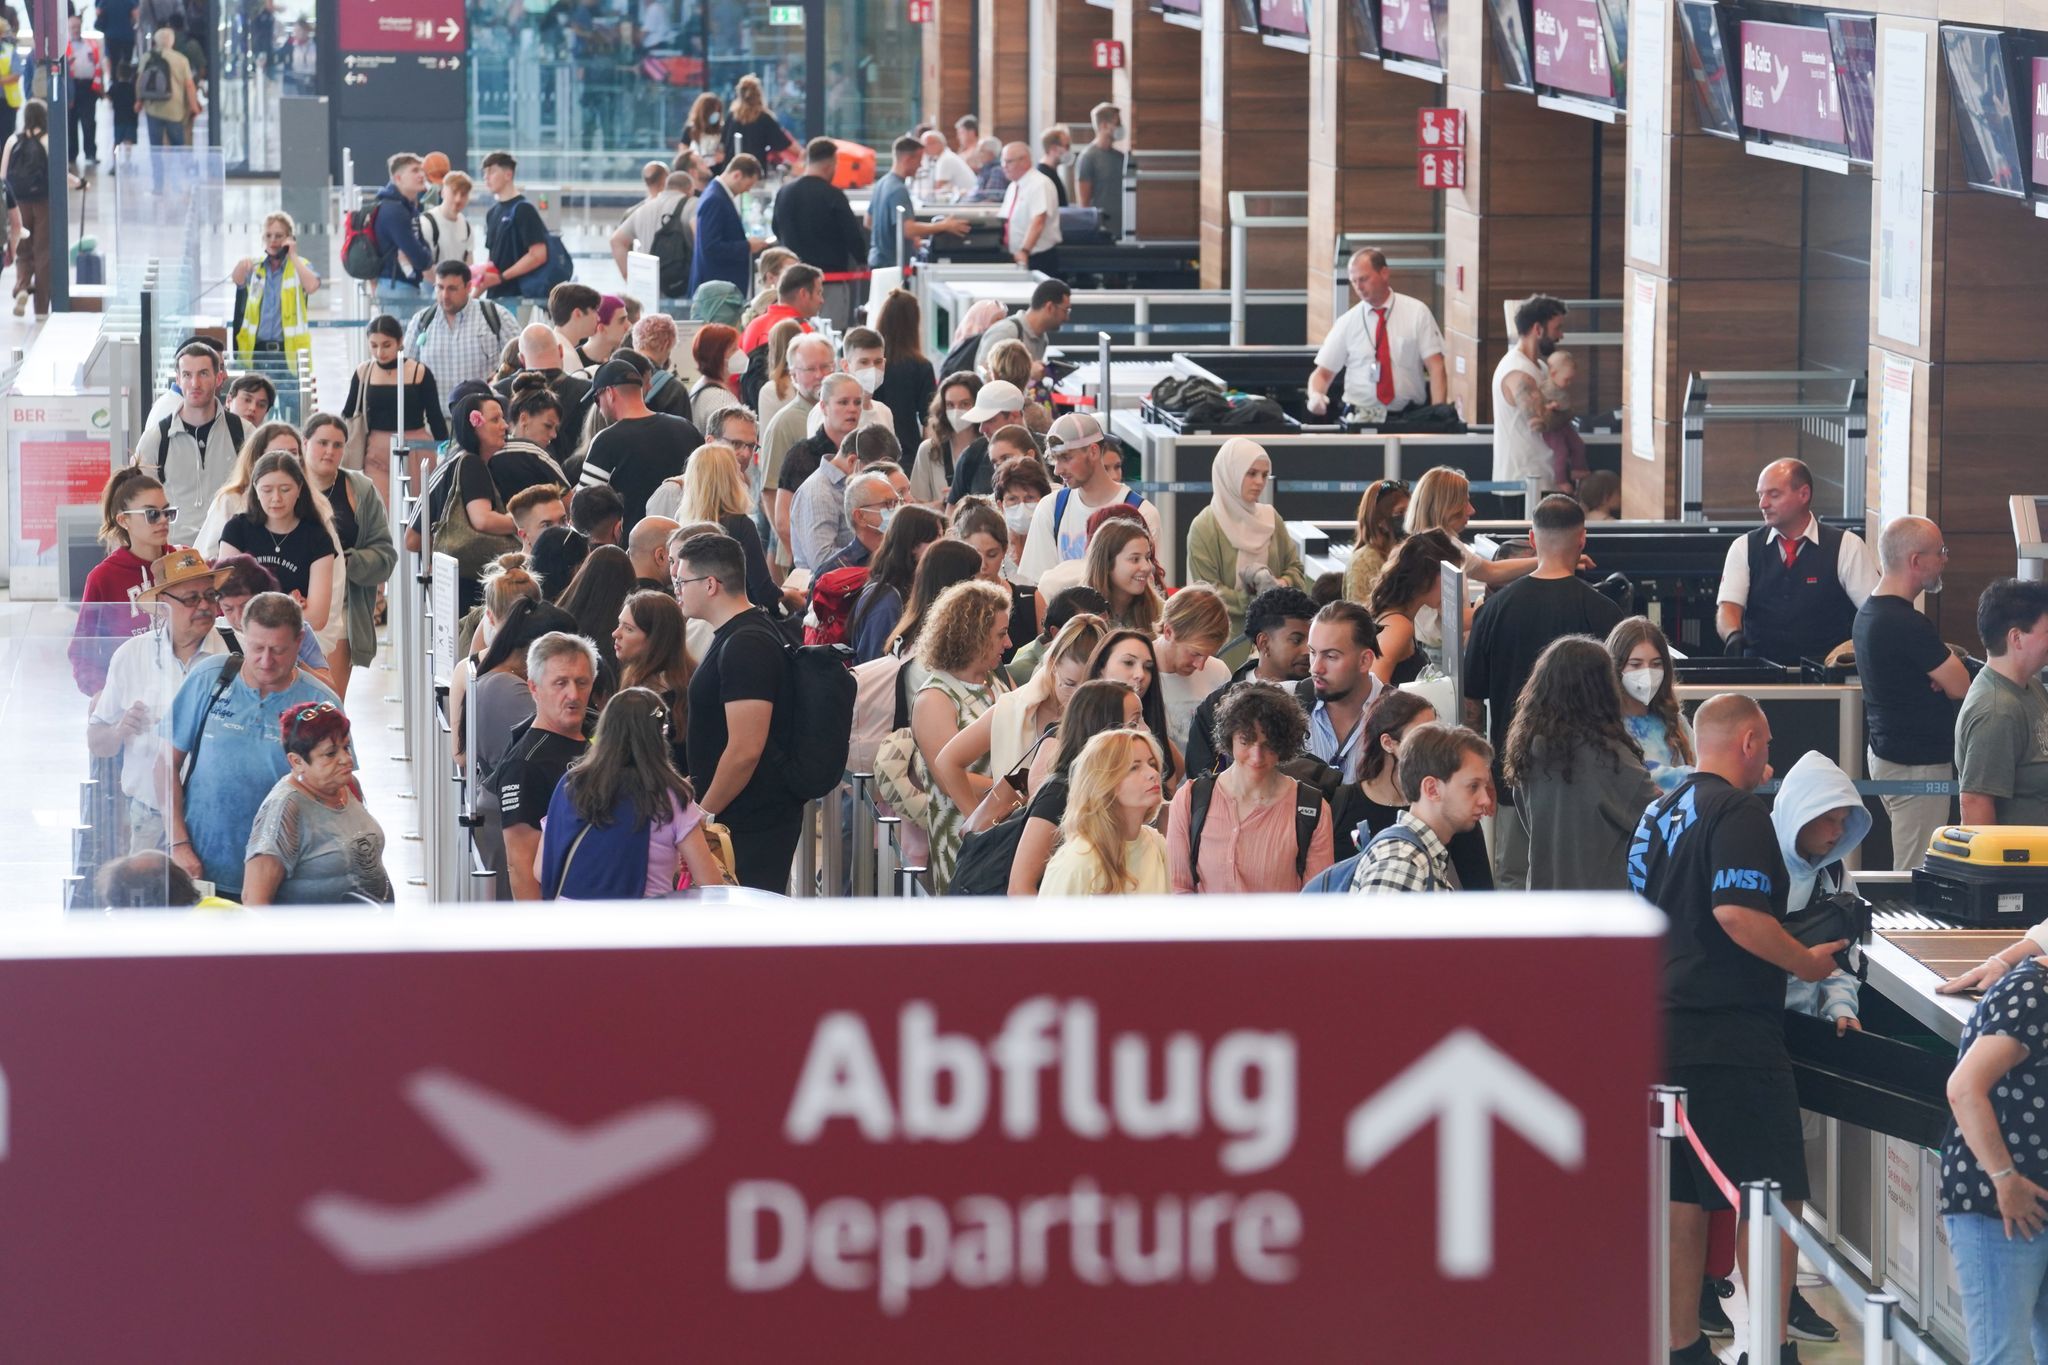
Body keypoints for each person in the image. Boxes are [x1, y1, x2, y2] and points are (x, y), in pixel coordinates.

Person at [1634, 694, 1844, 1365]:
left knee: (1681, 1194)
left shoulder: (1658, 812)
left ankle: (1682, 1345)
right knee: (1771, 1189)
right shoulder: (1739, 811)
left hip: (1658, 1026)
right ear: (1749, 740)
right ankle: (1770, 1345)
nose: (1770, 760)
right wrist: (1806, 961)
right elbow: (1737, 913)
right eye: (1768, 743)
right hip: (1729, 1033)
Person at [1463, 495, 1623, 888]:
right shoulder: (1603, 613)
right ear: (1582, 540)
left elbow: (1471, 703)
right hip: (1587, 779)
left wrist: (1482, 771)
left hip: (1512, 771)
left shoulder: (1494, 611)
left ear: (1532, 540)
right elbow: (1621, 704)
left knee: (1513, 878)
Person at [163, 592, 339, 897]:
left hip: (286, 882)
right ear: (244, 635)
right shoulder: (209, 678)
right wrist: (179, 843)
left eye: (279, 650)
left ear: (299, 642)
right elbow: (165, 764)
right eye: (257, 648)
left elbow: (339, 794)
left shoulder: (321, 703)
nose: (266, 661)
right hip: (205, 871)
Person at [675, 531, 807, 888]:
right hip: (741, 814)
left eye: (682, 581)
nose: (678, 589)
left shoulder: (746, 644)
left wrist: (702, 813)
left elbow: (745, 748)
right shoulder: (738, 634)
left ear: (711, 584)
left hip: (751, 820)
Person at [87, 548, 231, 852]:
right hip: (148, 819)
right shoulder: (130, 656)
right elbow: (97, 741)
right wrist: (119, 730)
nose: (205, 606)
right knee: (150, 898)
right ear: (163, 604)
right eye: (192, 598)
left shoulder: (238, 653)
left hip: (220, 817)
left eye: (210, 595)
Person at [537, 686, 726, 898]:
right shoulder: (670, 795)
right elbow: (711, 884)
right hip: (639, 925)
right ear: (659, 735)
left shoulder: (570, 785)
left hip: (571, 925)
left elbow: (541, 870)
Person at [1503, 635, 1659, 891]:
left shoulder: (1530, 749)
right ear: (1604, 688)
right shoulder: (1611, 758)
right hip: (1601, 911)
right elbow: (1655, 821)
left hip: (1545, 903)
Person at [1855, 516, 1967, 869]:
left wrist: (1940, 673)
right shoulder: (1906, 623)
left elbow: (1950, 679)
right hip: (1915, 767)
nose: (1945, 560)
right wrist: (1942, 674)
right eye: (1940, 553)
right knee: (1916, 872)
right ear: (1916, 561)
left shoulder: (1871, 612)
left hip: (1889, 758)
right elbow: (1962, 685)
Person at [1168, 683, 1334, 895]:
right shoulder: (1190, 799)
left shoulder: (1311, 808)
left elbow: (1316, 903)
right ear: (1229, 737)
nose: (1256, 756)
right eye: (1246, 741)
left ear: (1284, 744)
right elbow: (1178, 888)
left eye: (1268, 744)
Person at [1716, 458, 1880, 665]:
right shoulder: (1744, 547)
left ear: (1804, 494)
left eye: (1773, 495)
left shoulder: (1847, 546)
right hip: (1759, 675)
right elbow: (1729, 606)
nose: (1763, 504)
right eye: (1760, 495)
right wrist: (1733, 636)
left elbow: (1874, 613)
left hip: (1827, 677)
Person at [907, 579, 1011, 890]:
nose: (1008, 643)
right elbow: (948, 778)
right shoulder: (934, 699)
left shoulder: (997, 681)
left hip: (1004, 823)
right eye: (1001, 634)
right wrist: (1014, 790)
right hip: (960, 835)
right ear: (973, 636)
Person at [939, 611, 1107, 803]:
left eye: (1090, 687)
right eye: (1070, 683)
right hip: (1021, 829)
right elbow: (947, 762)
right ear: (1052, 666)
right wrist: (975, 828)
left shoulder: (1112, 714)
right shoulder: (1012, 708)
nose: (1079, 697)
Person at [240, 701, 393, 906]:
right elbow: (254, 901)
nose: (346, 759)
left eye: (346, 747)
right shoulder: (285, 809)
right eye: (331, 753)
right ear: (297, 762)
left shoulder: (347, 785)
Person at [489, 632, 597, 900]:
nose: (573, 694)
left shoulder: (605, 730)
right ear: (534, 688)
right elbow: (521, 867)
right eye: (560, 683)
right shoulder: (524, 766)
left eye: (581, 682)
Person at [1350, 692, 1493, 889]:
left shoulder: (1417, 856)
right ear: (1431, 788)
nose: (1485, 800)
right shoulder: (1402, 863)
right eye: (1472, 787)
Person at [302, 413, 396, 701]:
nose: (329, 451)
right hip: (294, 603)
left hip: (342, 606)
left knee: (329, 700)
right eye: (322, 443)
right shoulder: (286, 485)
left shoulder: (360, 490)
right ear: (304, 442)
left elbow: (385, 554)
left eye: (337, 445)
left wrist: (345, 563)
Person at [1183, 585, 1318, 778]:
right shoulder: (1216, 706)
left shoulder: (1323, 699)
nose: (1307, 651)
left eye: (1311, 640)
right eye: (1296, 640)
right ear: (1264, 643)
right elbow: (1201, 778)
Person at [1185, 437, 1309, 645]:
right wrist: (1254, 599)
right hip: (1223, 640)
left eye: (1264, 474)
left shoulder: (1271, 519)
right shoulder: (1205, 527)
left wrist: (1280, 584)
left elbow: (1295, 568)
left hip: (1275, 638)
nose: (1260, 482)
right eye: (1251, 474)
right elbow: (1206, 591)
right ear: (1230, 474)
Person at [1017, 413, 1160, 587]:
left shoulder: (1142, 513)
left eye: (1066, 457)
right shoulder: (1051, 508)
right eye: (1055, 459)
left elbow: (1151, 587)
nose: (1057, 470)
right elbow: (1037, 588)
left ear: (1093, 451)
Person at [72, 468, 179, 697]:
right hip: (127, 699)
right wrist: (103, 694)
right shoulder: (103, 577)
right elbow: (82, 650)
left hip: (180, 692)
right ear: (124, 520)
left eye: (167, 512)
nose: (163, 521)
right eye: (152, 514)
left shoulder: (184, 561)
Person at [410, 390, 521, 609]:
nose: (505, 426)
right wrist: (525, 523)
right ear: (474, 425)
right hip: (466, 581)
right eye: (495, 419)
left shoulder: (457, 460)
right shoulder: (471, 464)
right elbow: (483, 520)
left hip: (451, 578)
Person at [1307, 247, 1447, 417]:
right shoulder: (1347, 322)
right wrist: (1315, 395)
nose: (1358, 287)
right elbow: (1322, 373)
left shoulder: (1417, 313)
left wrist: (1439, 413)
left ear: (1384, 273)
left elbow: (1436, 366)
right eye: (1354, 281)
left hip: (1408, 415)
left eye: (1364, 279)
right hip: (1360, 416)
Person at [130, 342, 245, 547]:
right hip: (174, 558)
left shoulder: (244, 433)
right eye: (187, 375)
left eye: (203, 374)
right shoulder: (155, 439)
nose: (195, 383)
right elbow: (139, 505)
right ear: (178, 379)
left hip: (229, 555)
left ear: (218, 378)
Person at [1957, 578, 2048, 827]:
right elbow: (1975, 803)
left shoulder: (2033, 688)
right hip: (2022, 864)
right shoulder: (1997, 710)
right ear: (2016, 638)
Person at [577, 359, 704, 535]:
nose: (598, 409)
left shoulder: (606, 441)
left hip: (636, 549)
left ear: (609, 393)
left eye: (596, 399)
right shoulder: (687, 429)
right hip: (686, 543)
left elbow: (584, 511)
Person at [218, 452, 337, 635]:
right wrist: (288, 608)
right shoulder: (236, 530)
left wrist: (256, 609)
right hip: (242, 637)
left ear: (299, 489)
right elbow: (230, 598)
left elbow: (317, 617)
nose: (276, 498)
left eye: (285, 489)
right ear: (256, 489)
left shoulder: (317, 538)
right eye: (267, 490)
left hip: (295, 639)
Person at [1040, 730, 1169, 895]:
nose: (1153, 774)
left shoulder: (1156, 844)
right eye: (1134, 768)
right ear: (1104, 782)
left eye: (1152, 764)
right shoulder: (1077, 860)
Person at [343, 315, 449, 506]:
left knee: (417, 510)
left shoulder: (419, 372)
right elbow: (348, 413)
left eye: (386, 345)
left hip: (416, 448)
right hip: (375, 451)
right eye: (373, 345)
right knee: (380, 508)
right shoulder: (363, 372)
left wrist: (447, 451)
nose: (379, 352)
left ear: (400, 342)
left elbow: (434, 416)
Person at [782, 374, 874, 570]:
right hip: (821, 573)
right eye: (843, 402)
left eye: (857, 402)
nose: (852, 409)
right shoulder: (802, 455)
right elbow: (783, 520)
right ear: (823, 407)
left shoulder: (864, 451)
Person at [774, 137, 869, 327]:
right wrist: (861, 261)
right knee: (830, 335)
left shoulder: (784, 192)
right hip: (830, 282)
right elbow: (852, 235)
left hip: (792, 283)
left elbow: (776, 229)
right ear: (830, 165)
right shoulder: (833, 196)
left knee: (793, 335)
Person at [405, 262, 516, 419]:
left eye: (452, 288)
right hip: (436, 425)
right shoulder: (421, 321)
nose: (444, 295)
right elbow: (406, 371)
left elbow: (519, 364)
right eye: (440, 287)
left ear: (469, 287)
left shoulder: (496, 316)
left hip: (483, 425)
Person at [1403, 464, 1542, 588]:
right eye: (1464, 502)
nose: (1471, 510)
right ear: (1447, 507)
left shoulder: (1418, 544)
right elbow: (1492, 572)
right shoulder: (1445, 546)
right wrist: (1546, 559)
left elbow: (1491, 570)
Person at [1491, 294, 1571, 492]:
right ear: (1538, 329)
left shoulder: (1542, 368)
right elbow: (1540, 422)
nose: (1561, 335)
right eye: (1557, 328)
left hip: (1543, 479)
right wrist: (1566, 412)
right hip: (1523, 484)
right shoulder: (1517, 372)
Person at [1608, 615, 1696, 793]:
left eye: (1656, 664)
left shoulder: (1676, 722)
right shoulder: (1604, 726)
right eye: (1635, 664)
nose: (1647, 672)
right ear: (1615, 668)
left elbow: (1703, 776)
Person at [1302, 600, 1386, 783]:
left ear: (1365, 661)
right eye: (1312, 653)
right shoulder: (1289, 702)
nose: (1315, 668)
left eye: (1331, 656)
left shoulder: (1401, 718)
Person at [1087, 629, 1184, 788]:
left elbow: (1175, 775)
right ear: (1100, 668)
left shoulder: (1155, 733)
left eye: (1148, 667)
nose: (1140, 674)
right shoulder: (1062, 738)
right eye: (1128, 663)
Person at [1366, 529, 1461, 686]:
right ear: (1427, 578)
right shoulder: (1399, 626)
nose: (1452, 590)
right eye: (1448, 579)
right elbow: (1374, 684)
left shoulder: (1398, 617)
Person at [614, 591, 694, 774]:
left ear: (656, 640)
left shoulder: (664, 699)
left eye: (628, 629)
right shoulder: (637, 677)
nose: (615, 634)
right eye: (619, 624)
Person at [229, 211, 320, 371]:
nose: (273, 240)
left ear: (289, 238)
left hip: (288, 356)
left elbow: (312, 286)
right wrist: (240, 265)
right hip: (256, 354)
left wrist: (293, 255)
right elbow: (237, 280)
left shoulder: (299, 266)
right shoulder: (256, 267)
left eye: (278, 236)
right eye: (268, 235)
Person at [868, 136, 969, 271]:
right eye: (919, 160)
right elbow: (907, 229)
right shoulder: (898, 190)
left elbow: (868, 221)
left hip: (877, 260)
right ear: (908, 160)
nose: (921, 166)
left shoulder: (882, 183)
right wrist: (943, 226)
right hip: (892, 265)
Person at [1152, 588, 1232, 754]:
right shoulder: (1139, 673)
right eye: (1195, 653)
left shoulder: (1219, 671)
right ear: (1168, 632)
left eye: (1208, 655)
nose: (1200, 666)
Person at [874, 289, 939, 474]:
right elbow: (929, 419)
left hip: (873, 450)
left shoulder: (875, 364)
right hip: (908, 452)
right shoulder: (921, 366)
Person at [816, 461, 910, 582]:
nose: (896, 509)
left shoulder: (907, 557)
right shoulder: (835, 571)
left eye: (898, 502)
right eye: (888, 504)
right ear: (860, 517)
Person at [477, 151, 552, 302]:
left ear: (508, 175)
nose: (486, 177)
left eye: (491, 171)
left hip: (519, 296)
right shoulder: (492, 212)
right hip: (495, 295)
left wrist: (501, 277)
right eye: (484, 173)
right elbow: (492, 258)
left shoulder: (523, 209)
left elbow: (538, 255)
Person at [369, 152, 437, 315]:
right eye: (414, 171)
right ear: (398, 178)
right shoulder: (394, 211)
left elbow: (420, 250)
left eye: (421, 170)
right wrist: (424, 258)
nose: (421, 175)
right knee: (401, 339)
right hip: (396, 287)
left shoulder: (406, 208)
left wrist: (423, 257)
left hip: (402, 285)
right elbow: (418, 256)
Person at [688, 153, 766, 295]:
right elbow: (710, 246)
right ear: (737, 175)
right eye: (748, 185)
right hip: (716, 290)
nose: (747, 190)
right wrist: (747, 246)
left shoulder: (716, 194)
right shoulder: (715, 199)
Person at [943, 380, 1028, 506]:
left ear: (1014, 416)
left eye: (990, 420)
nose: (981, 429)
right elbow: (952, 508)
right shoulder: (972, 454)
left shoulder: (1046, 453)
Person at [610, 160, 688, 277]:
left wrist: (629, 278)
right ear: (665, 178)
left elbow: (619, 244)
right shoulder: (678, 207)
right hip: (674, 273)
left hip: (645, 274)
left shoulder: (633, 212)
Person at [975, 278, 1072, 371]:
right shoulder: (1006, 331)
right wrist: (1028, 372)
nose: (1067, 318)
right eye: (1065, 310)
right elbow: (982, 373)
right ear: (1050, 307)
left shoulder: (1042, 339)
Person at [1085, 519, 1162, 634]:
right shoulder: (1080, 612)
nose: (1147, 567)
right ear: (1107, 564)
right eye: (1135, 559)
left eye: (1147, 558)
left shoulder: (1160, 612)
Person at [998, 140, 1062, 274]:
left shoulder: (1039, 184)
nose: (1004, 166)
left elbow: (1038, 221)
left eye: (1009, 161)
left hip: (1037, 257)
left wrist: (1024, 250)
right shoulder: (1013, 186)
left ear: (1024, 161)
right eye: (1002, 161)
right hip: (1017, 256)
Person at [1344, 478, 1409, 605]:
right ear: (1380, 520)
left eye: (1410, 511)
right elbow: (1361, 615)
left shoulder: (1408, 555)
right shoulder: (1363, 561)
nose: (1408, 518)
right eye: (1400, 512)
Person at [741, 261, 824, 355]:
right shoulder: (803, 331)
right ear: (803, 293)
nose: (822, 300)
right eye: (819, 293)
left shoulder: (753, 324)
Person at [1072, 103, 1125, 238]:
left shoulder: (1121, 158)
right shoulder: (1088, 157)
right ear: (1104, 126)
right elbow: (1084, 204)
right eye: (1117, 123)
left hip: (1123, 229)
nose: (1120, 127)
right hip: (1102, 233)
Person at [725, 73, 794, 168]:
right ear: (759, 94)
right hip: (755, 169)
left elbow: (724, 143)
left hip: (732, 169)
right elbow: (781, 143)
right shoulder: (764, 118)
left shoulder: (732, 116)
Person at [687, 323, 747, 432]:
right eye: (733, 349)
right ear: (718, 355)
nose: (739, 352)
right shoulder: (722, 400)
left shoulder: (701, 385)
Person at [420, 169, 474, 266]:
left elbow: (469, 262)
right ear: (442, 193)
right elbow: (423, 267)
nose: (458, 199)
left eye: (463, 194)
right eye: (454, 192)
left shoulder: (466, 226)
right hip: (432, 281)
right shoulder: (426, 222)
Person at [627, 515, 679, 593]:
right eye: (679, 553)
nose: (684, 561)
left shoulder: (610, 595)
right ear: (660, 556)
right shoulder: (672, 603)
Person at [920, 128, 976, 198]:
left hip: (966, 201)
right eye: (924, 145)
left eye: (929, 144)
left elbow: (938, 188)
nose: (925, 148)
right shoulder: (943, 157)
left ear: (940, 143)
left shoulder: (946, 159)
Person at [683, 91, 728, 169]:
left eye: (718, 111)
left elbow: (723, 155)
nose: (716, 114)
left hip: (717, 172)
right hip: (696, 173)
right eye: (713, 111)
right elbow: (683, 154)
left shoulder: (723, 130)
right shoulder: (690, 129)